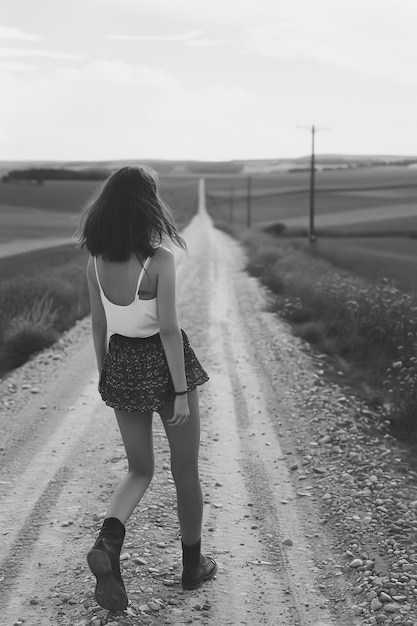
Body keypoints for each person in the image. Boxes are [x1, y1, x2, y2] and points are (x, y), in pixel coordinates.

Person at [77, 165, 217, 612]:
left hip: (120, 362)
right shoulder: (159, 261)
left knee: (139, 469)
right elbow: (171, 330)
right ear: (146, 208)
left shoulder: (95, 262)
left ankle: (109, 542)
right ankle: (192, 567)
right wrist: (179, 391)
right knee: (186, 472)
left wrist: (105, 374)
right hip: (163, 365)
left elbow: (98, 323)